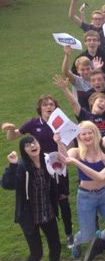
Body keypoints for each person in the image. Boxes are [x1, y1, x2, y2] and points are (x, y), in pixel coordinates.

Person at [1, 136, 70, 261]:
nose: (32, 145)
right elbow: (6, 184)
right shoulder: (21, 167)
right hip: (29, 216)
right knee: (36, 252)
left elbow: (61, 171)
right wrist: (11, 165)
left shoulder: (47, 162)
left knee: (56, 245)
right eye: (27, 145)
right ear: (23, 150)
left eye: (34, 142)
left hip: (47, 211)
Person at [2, 94, 74, 247]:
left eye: (51, 104)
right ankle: (46, 235)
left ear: (56, 108)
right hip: (40, 169)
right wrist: (9, 129)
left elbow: (71, 145)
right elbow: (13, 136)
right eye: (45, 105)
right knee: (45, 200)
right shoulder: (34, 123)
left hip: (58, 167)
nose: (48, 107)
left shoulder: (61, 124)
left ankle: (69, 234)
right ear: (40, 108)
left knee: (63, 200)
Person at [55, 122, 105, 259]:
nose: (87, 136)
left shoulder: (104, 150)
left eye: (90, 132)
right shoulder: (78, 152)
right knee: (86, 235)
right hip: (86, 196)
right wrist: (59, 143)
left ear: (95, 133)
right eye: (83, 134)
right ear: (79, 137)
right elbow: (65, 158)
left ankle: (99, 240)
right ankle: (77, 242)